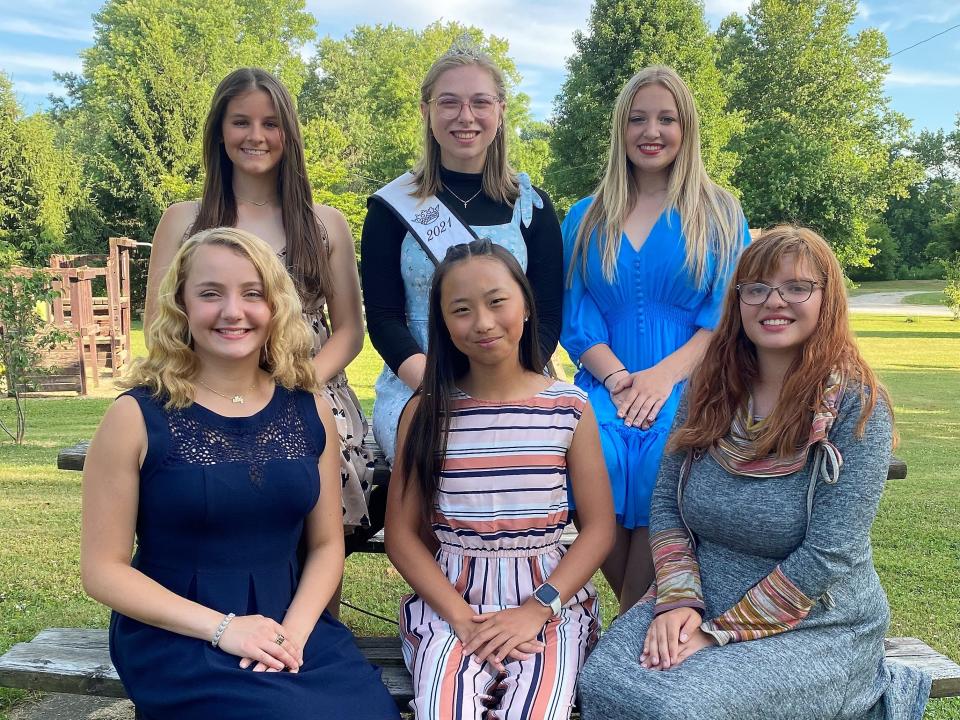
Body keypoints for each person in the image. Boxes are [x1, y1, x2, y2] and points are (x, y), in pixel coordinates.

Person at [577, 225, 931, 720]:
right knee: (603, 681)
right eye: (757, 288)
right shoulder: (710, 388)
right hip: (702, 591)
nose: (774, 301)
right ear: (738, 300)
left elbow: (832, 551)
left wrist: (716, 633)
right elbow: (667, 506)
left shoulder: (855, 405)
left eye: (796, 287)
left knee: (678, 707)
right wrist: (679, 602)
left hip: (816, 618)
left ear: (826, 298)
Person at [81, 228, 399, 720]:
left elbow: (325, 545)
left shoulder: (309, 408)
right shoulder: (135, 416)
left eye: (253, 294)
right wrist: (224, 628)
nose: (233, 311)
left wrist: (291, 632)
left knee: (369, 712)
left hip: (291, 625)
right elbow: (103, 570)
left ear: (275, 308)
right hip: (179, 632)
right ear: (182, 306)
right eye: (211, 294)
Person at [143, 68, 374, 553]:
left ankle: (316, 622)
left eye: (270, 123)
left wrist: (294, 386)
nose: (256, 136)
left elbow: (350, 331)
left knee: (316, 478)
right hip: (204, 384)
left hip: (309, 383)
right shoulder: (183, 220)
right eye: (240, 122)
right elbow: (158, 325)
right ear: (219, 131)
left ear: (288, 133)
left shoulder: (324, 224)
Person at [385, 239, 615, 720]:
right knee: (443, 710)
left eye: (497, 302)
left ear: (526, 306)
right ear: (443, 325)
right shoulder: (427, 412)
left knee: (537, 711)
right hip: (451, 604)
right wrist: (462, 619)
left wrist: (538, 608)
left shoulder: (568, 408)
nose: (483, 323)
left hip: (547, 603)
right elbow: (403, 537)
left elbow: (598, 529)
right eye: (461, 310)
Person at [560, 65, 750, 612]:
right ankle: (637, 626)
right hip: (606, 379)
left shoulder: (718, 212)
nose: (652, 130)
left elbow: (724, 316)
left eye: (667, 118)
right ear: (621, 129)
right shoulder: (585, 217)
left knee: (658, 466)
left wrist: (662, 379)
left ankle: (630, 627)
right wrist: (620, 379)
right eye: (638, 118)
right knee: (601, 461)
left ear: (686, 129)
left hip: (693, 379)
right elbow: (577, 317)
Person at [361, 40, 563, 465]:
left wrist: (509, 386)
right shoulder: (391, 208)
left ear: (501, 110)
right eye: (448, 102)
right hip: (418, 385)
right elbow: (382, 318)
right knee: (447, 451)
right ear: (426, 111)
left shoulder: (533, 209)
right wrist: (436, 387)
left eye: (480, 102)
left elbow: (546, 318)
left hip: (514, 377)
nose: (465, 116)